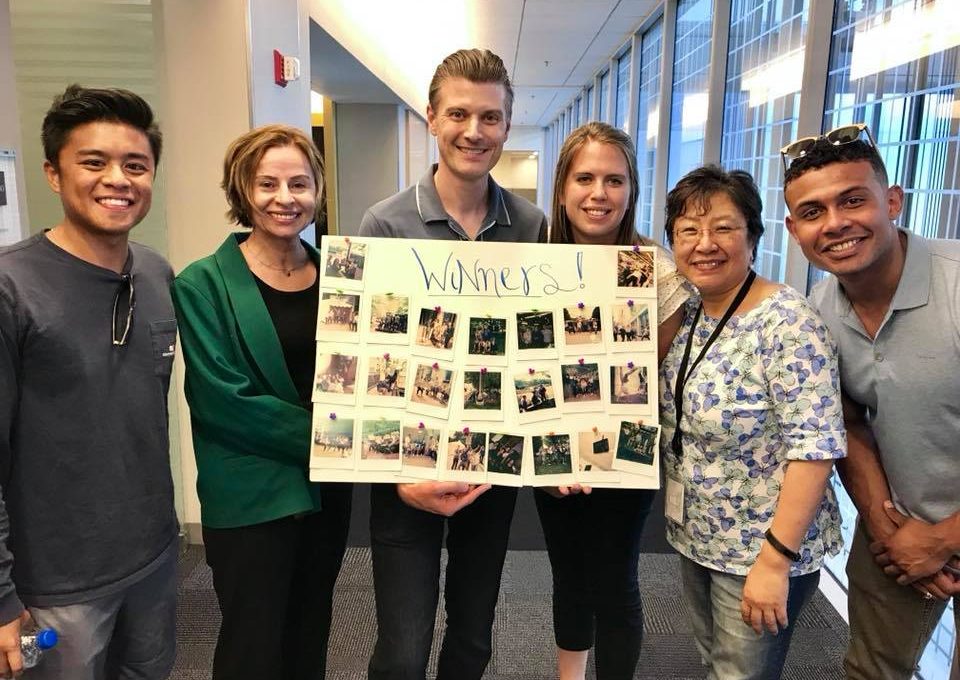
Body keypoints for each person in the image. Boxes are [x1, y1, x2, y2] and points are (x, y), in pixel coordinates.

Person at [359, 48, 546, 680]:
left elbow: (536, 348)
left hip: (492, 463)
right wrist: (396, 478)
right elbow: (368, 358)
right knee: (402, 650)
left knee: (472, 637)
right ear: (432, 119)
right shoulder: (384, 223)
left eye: (490, 117)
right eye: (459, 114)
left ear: (507, 125)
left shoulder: (529, 225)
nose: (474, 131)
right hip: (407, 466)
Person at [0, 85, 177, 679]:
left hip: (154, 558)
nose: (117, 180)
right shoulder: (12, 289)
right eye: (94, 162)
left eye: (136, 165)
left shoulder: (155, 274)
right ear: (53, 174)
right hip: (53, 583)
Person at [171, 124, 352, 680]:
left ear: (318, 190)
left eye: (300, 183)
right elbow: (223, 401)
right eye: (267, 183)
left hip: (326, 491)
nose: (284, 198)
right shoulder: (203, 283)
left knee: (310, 632)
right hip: (250, 494)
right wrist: (342, 440)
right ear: (242, 189)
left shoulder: (343, 278)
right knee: (252, 646)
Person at [782, 124, 960, 679]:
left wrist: (944, 539)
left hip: (940, 528)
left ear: (893, 201)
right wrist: (889, 532)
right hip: (902, 523)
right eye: (813, 212)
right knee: (870, 670)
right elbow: (849, 423)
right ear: (793, 229)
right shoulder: (819, 311)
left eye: (853, 200)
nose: (835, 223)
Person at [659, 165, 846, 679]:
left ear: (753, 237)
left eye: (724, 228)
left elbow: (815, 449)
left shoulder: (788, 323)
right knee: (715, 662)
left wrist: (775, 561)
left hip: (759, 548)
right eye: (688, 231)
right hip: (699, 534)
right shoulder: (691, 312)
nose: (705, 244)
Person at [536, 121, 690, 679]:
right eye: (585, 178)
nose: (599, 193)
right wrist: (559, 451)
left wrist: (590, 449)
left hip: (624, 448)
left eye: (614, 180)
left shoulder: (656, 271)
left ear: (631, 190)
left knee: (614, 578)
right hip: (549, 440)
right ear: (562, 188)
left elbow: (640, 381)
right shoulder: (535, 263)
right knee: (568, 573)